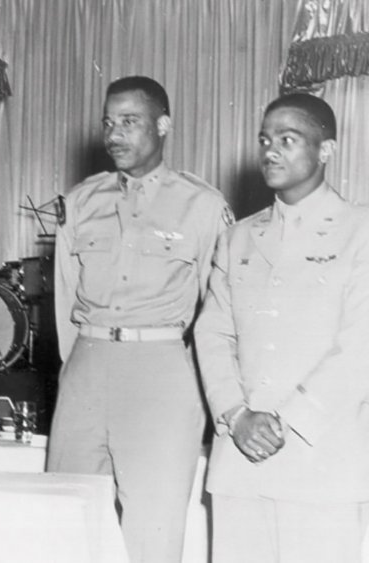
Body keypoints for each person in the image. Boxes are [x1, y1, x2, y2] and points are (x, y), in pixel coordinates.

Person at [194, 93, 369, 563]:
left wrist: (284, 424)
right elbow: (213, 334)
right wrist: (236, 415)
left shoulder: (368, 231)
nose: (271, 150)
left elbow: (362, 348)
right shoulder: (237, 238)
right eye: (266, 139)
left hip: (323, 462)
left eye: (288, 140)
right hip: (240, 458)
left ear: (325, 150)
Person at [49, 76, 233, 562]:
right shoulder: (81, 201)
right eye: (109, 122)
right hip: (87, 367)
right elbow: (65, 298)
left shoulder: (203, 205)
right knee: (65, 520)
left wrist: (192, 384)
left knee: (153, 533)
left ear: (164, 125)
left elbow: (216, 309)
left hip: (162, 372)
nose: (115, 134)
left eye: (130, 122)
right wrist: (80, 366)